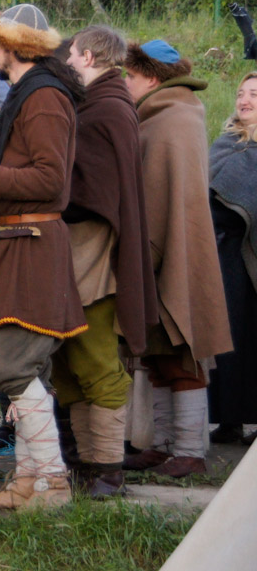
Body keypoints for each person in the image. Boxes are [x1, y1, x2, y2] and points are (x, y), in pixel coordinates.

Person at [0, 3, 85, 510]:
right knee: (26, 372)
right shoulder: (31, 94)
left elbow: (49, 181)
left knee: (13, 368)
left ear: (12, 46)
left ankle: (51, 483)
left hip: (32, 247)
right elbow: (25, 177)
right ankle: (29, 483)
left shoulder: (43, 97)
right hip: (18, 243)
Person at [120, 40, 233, 477]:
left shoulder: (175, 117)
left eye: (131, 76)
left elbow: (167, 198)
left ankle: (189, 450)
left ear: (151, 77)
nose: (126, 83)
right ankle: (165, 444)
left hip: (176, 254)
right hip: (154, 250)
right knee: (156, 354)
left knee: (182, 354)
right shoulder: (157, 114)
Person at [56, 26, 158, 496]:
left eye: (73, 54)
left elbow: (95, 190)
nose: (68, 61)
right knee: (71, 363)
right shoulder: (95, 104)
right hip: (75, 251)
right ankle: (87, 464)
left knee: (96, 359)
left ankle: (109, 471)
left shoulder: (110, 108)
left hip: (94, 255)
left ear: (92, 57)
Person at [208, 72, 257, 445]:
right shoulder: (224, 143)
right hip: (224, 257)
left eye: (254, 94)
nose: (244, 100)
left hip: (250, 256)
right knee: (227, 339)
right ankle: (229, 419)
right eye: (241, 93)